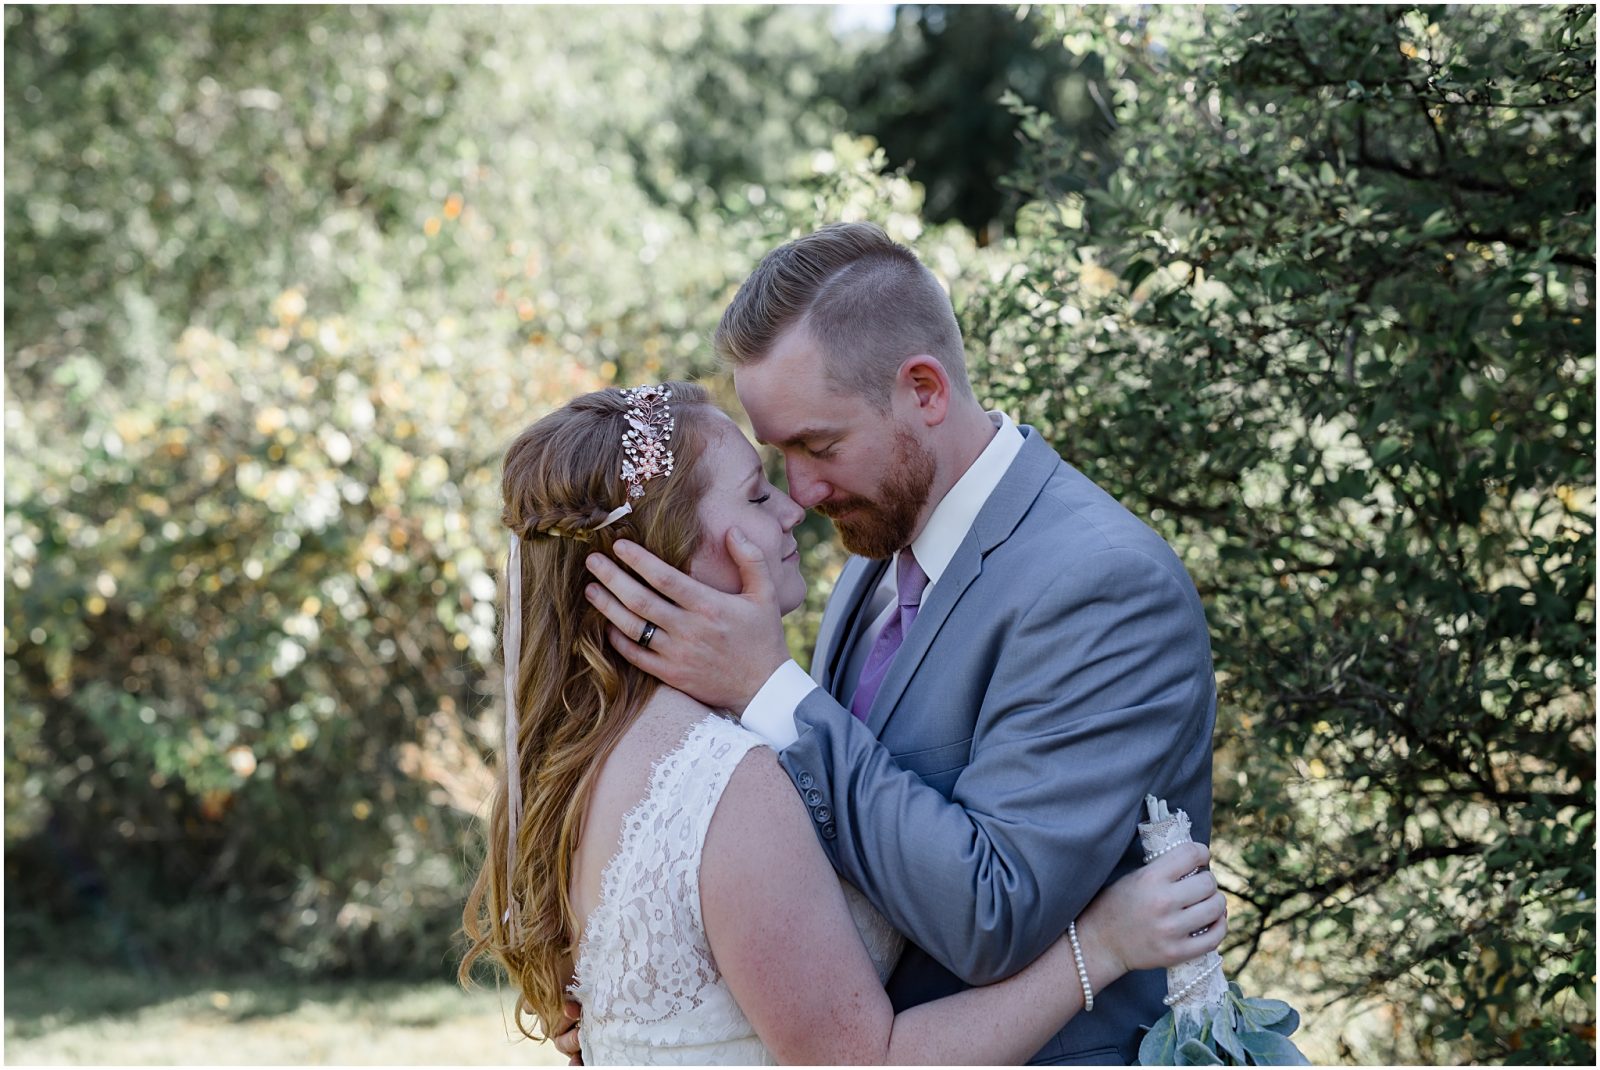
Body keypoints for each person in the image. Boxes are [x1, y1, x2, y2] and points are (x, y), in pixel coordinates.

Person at [579, 223, 1218, 1063]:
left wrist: (771, 692)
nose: (800, 493)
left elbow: (995, 914)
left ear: (923, 390)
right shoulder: (877, 550)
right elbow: (826, 843)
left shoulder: (1102, 586)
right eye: (778, 455)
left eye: (819, 445)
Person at [461, 382, 1227, 1064]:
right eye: (758, 495)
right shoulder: (724, 781)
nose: (796, 505)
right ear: (669, 554)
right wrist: (1102, 944)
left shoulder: (587, 757)